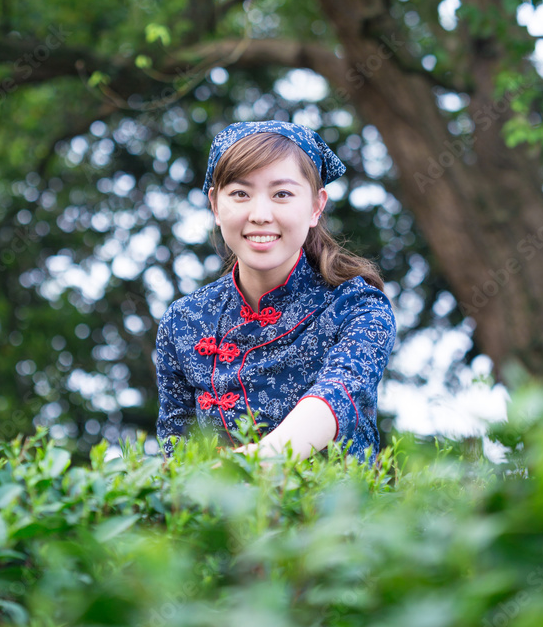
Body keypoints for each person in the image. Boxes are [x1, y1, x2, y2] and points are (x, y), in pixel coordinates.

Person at [155, 121, 397, 465]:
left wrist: (246, 467)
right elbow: (176, 454)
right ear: (215, 205)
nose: (260, 215)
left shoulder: (358, 307)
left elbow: (339, 395)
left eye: (282, 194)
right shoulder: (183, 321)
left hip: (338, 513)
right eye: (240, 193)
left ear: (316, 206)